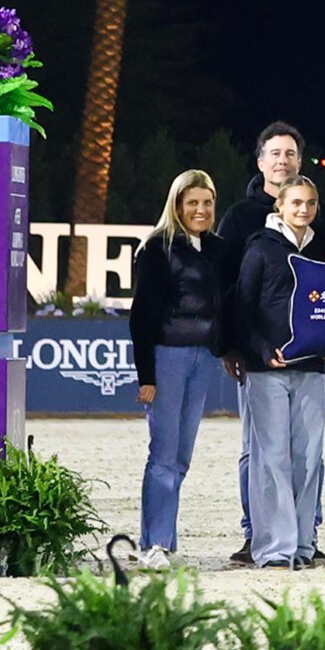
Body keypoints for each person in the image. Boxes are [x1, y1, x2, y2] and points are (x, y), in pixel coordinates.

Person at [227, 174, 325, 571]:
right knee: (271, 459)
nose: (304, 209)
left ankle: (302, 544)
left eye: (310, 203)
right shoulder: (260, 248)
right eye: (296, 203)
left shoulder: (320, 249)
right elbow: (242, 308)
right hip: (266, 369)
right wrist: (261, 350)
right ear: (280, 206)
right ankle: (274, 549)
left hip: (311, 367)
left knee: (308, 458)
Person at [215, 121, 306, 567]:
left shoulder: (316, 215)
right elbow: (227, 288)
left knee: (303, 452)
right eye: (275, 153)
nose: (282, 161)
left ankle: (304, 535)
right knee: (256, 448)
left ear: (299, 161)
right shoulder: (238, 218)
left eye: (290, 153)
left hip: (304, 356)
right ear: (260, 161)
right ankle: (256, 533)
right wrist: (229, 345)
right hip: (255, 354)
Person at [129, 169, 227, 569]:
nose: (200, 210)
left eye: (207, 203)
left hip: (204, 359)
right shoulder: (157, 249)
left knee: (181, 455)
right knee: (164, 454)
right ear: (177, 205)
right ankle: (153, 544)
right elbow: (141, 315)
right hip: (167, 357)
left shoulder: (218, 249)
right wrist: (147, 376)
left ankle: (164, 542)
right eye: (192, 203)